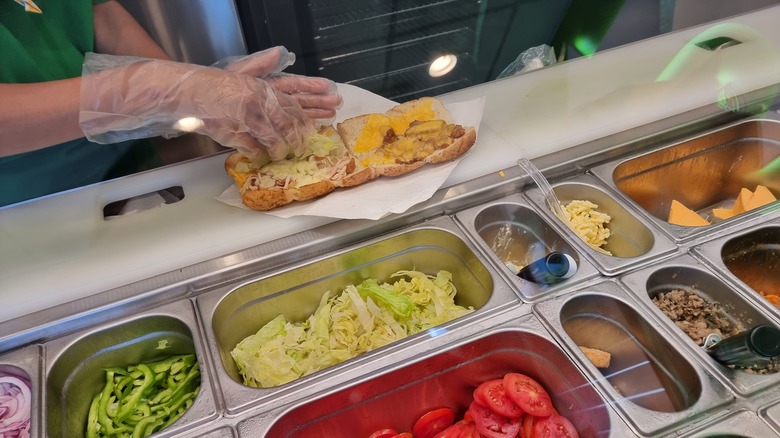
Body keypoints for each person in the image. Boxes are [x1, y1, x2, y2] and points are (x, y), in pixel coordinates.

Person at [0, 0, 342, 207]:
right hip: (28, 205)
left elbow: (96, 9)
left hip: (133, 169)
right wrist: (159, 90)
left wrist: (189, 86)